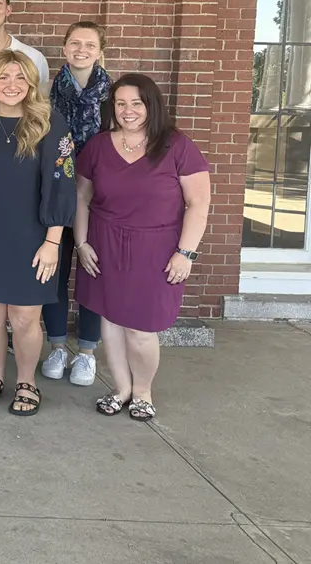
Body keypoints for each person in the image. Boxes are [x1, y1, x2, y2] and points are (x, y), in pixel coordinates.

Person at [75, 75, 210, 422]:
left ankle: (143, 392)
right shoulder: (99, 145)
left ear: (151, 105)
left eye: (136, 103)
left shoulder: (177, 145)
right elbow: (81, 197)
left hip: (157, 249)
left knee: (140, 327)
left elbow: (198, 203)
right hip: (105, 244)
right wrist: (82, 242)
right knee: (110, 320)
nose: (128, 110)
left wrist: (186, 253)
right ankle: (120, 389)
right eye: (120, 103)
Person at [0, 50, 76, 416]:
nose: (11, 86)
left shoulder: (49, 123)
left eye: (20, 78)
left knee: (25, 317)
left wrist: (53, 241)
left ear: (31, 83)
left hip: (33, 235)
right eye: (3, 78)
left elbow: (63, 185)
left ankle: (26, 381)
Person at [41, 21, 112, 388]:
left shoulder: (113, 96)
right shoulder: (46, 92)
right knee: (52, 271)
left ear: (100, 51)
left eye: (89, 44)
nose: (81, 50)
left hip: (100, 198)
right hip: (57, 190)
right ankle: (56, 346)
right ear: (64, 48)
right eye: (74, 43)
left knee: (92, 272)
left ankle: (86, 352)